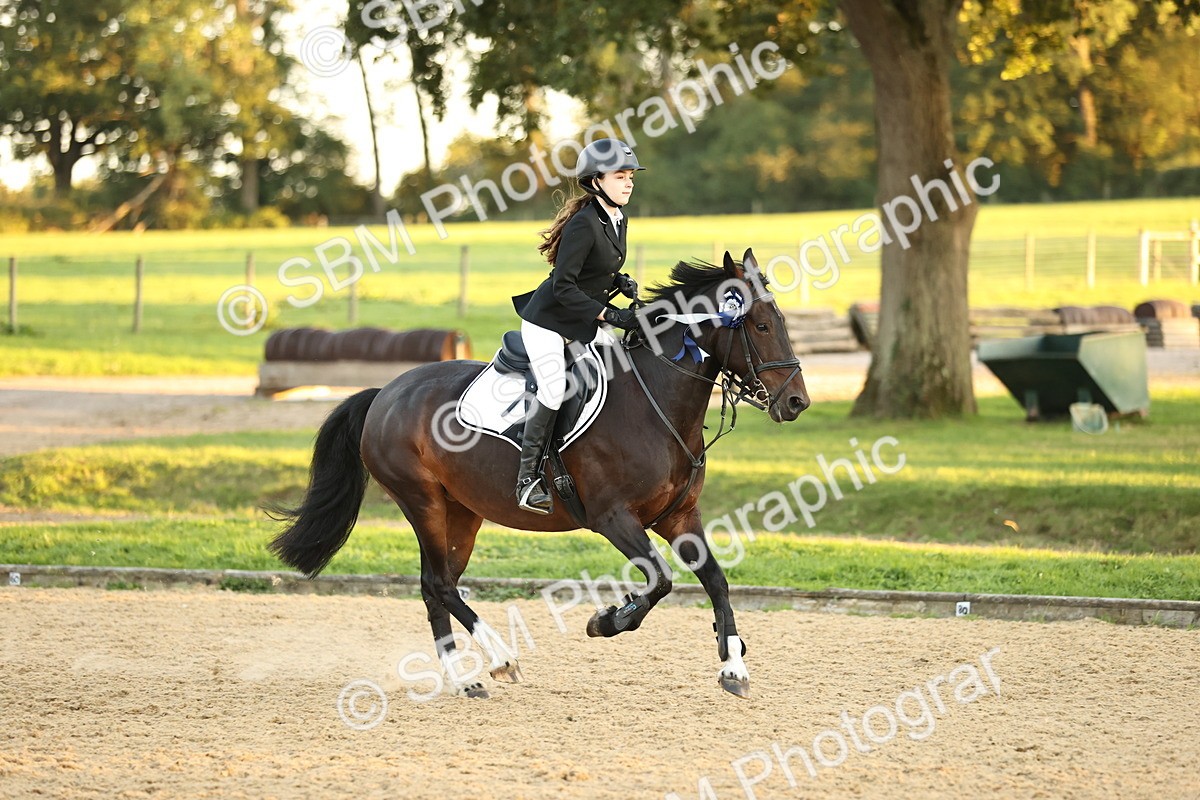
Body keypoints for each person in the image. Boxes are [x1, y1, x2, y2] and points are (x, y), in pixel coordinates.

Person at [509, 137, 644, 514]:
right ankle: (527, 478)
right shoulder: (584, 223)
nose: (629, 183)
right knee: (553, 391)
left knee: (623, 370)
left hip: (581, 319)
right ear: (596, 181)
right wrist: (609, 315)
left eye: (630, 176)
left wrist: (619, 282)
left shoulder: (617, 217)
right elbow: (564, 285)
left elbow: (596, 267)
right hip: (549, 322)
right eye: (620, 176)